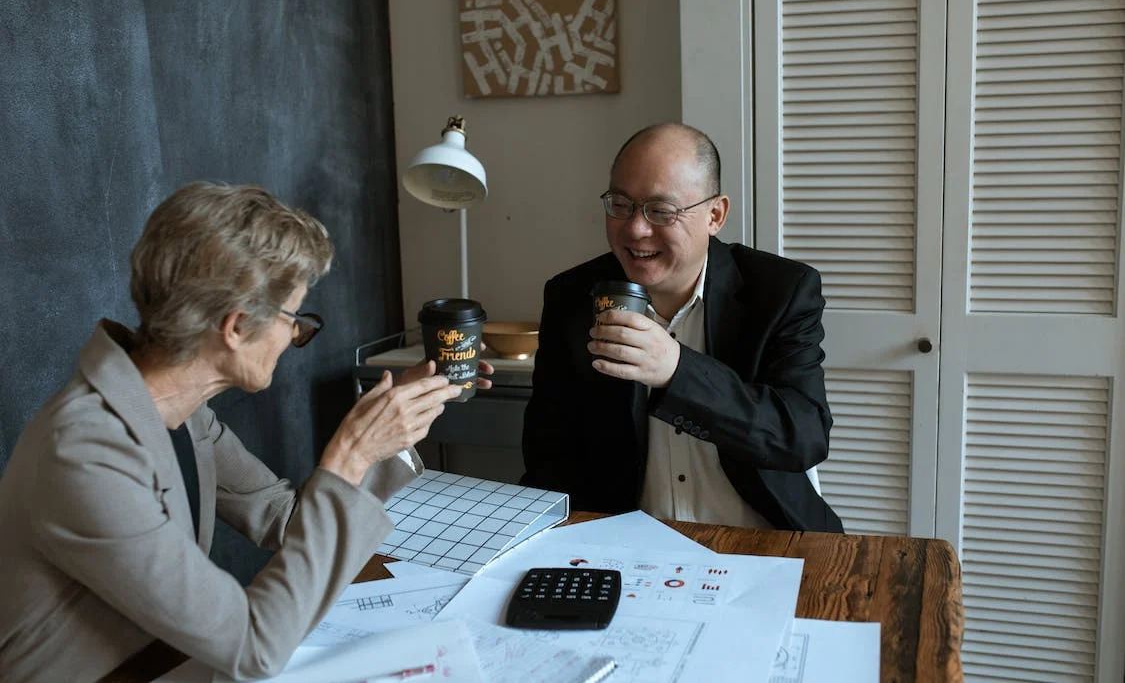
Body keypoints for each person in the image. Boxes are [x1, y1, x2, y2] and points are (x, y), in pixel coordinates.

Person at [0, 182, 474, 682]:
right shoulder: (84, 454)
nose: (295, 336)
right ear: (237, 325)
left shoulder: (183, 413)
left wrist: (391, 430)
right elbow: (253, 648)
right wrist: (349, 456)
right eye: (293, 318)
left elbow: (286, 519)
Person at [522, 123, 843, 533]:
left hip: (762, 538)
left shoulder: (780, 291)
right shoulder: (573, 296)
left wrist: (678, 371)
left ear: (715, 215)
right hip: (628, 543)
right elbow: (546, 453)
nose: (636, 229)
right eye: (620, 204)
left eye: (660, 211)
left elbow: (803, 436)